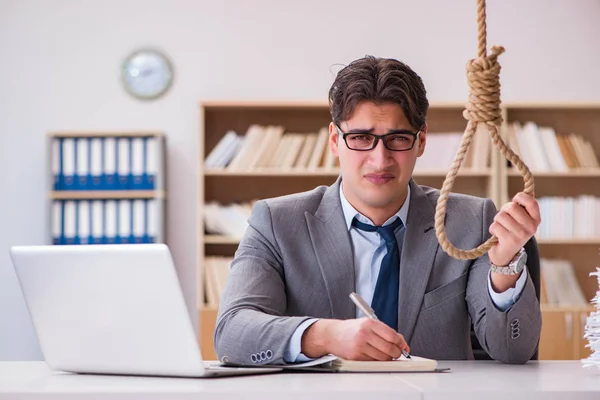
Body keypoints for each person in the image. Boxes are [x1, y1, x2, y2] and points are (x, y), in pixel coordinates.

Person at [214, 55, 542, 365]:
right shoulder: (276, 221)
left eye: (398, 139)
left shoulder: (472, 221)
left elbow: (513, 352)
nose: (380, 160)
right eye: (360, 137)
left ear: (421, 141)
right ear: (334, 140)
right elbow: (232, 332)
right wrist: (323, 336)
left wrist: (505, 268)